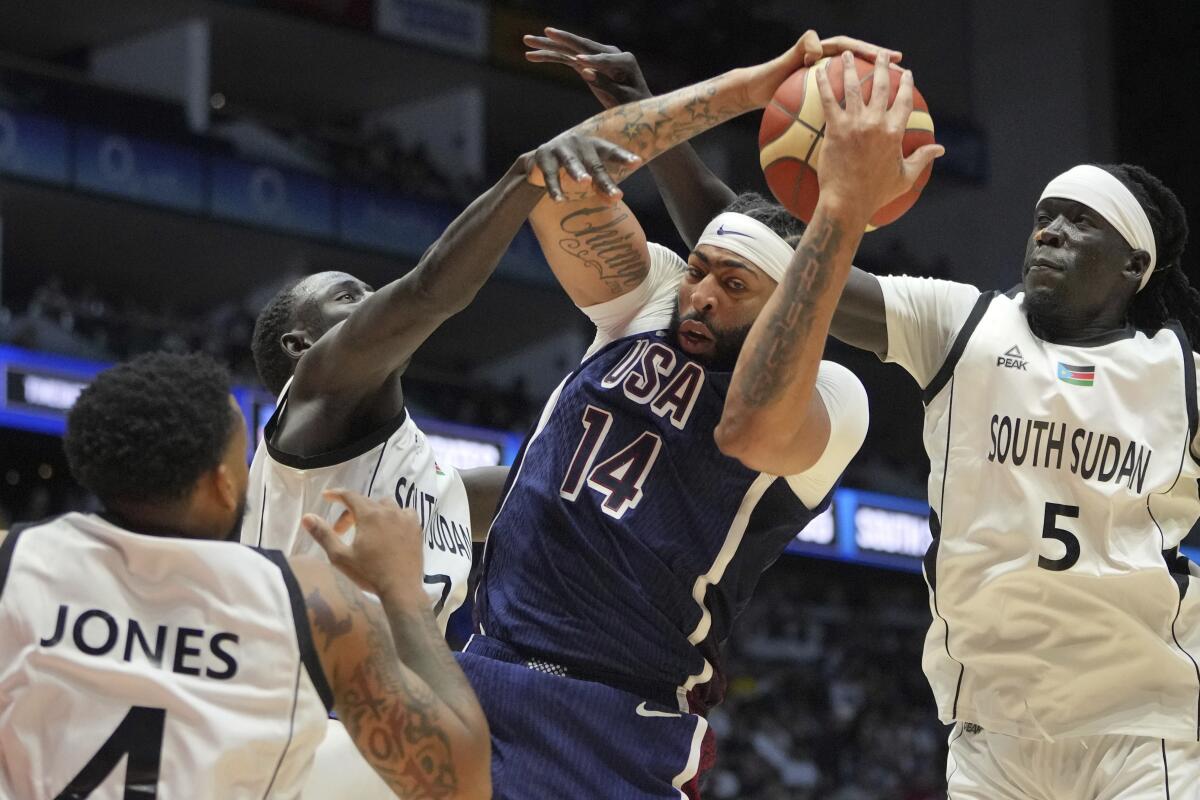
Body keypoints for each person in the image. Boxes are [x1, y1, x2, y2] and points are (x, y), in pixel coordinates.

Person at [540, 27, 1200, 799]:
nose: (1049, 229)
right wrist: (645, 109)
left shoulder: (1180, 378)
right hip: (991, 738)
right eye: (1043, 215)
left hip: (1141, 726)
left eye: (1080, 220)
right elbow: (761, 258)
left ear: (1134, 265)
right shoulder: (963, 324)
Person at [455, 32, 939, 796]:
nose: (702, 294)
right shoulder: (653, 296)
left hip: (613, 721)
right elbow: (555, 183)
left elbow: (748, 426)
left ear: (793, 305)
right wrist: (745, 89)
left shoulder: (832, 399)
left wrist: (842, 208)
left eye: (734, 286)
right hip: (477, 668)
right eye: (701, 273)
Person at [0, 352, 491, 799]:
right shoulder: (312, 602)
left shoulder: (18, 560)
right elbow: (460, 781)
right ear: (221, 482)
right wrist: (401, 588)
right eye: (244, 460)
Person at [243, 134, 638, 633]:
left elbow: (539, 490)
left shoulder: (423, 477)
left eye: (371, 291)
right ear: (301, 346)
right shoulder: (315, 395)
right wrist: (523, 178)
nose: (374, 301)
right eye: (347, 297)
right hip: (293, 686)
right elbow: (428, 291)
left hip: (385, 700)